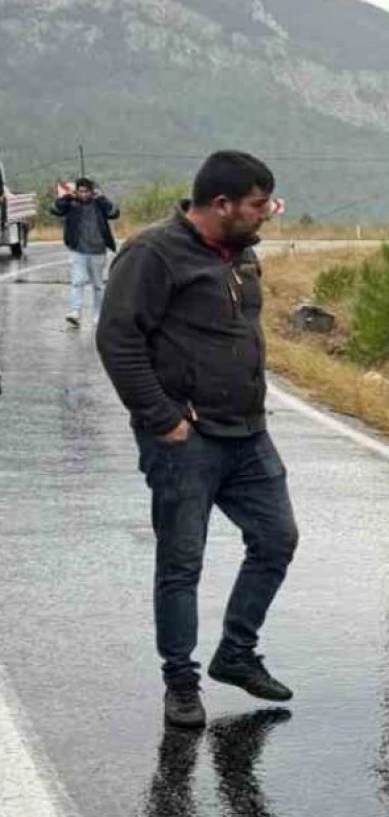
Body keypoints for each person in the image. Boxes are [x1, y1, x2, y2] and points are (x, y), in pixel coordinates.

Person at [96, 151, 294, 730]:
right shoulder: (152, 253)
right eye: (259, 205)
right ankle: (181, 683)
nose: (267, 215)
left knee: (276, 539)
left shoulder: (241, 253)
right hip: (186, 439)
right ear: (222, 204)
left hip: (248, 435)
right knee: (182, 564)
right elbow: (118, 341)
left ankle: (236, 653)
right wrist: (163, 419)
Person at [50, 177, 120, 328]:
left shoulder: (100, 204)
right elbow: (54, 210)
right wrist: (68, 196)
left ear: (91, 191)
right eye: (80, 191)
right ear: (77, 191)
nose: (83, 194)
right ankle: (75, 313)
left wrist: (101, 198)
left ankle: (98, 316)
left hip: (98, 251)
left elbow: (115, 213)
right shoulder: (71, 204)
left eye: (86, 191)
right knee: (77, 282)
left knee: (98, 285)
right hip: (78, 250)